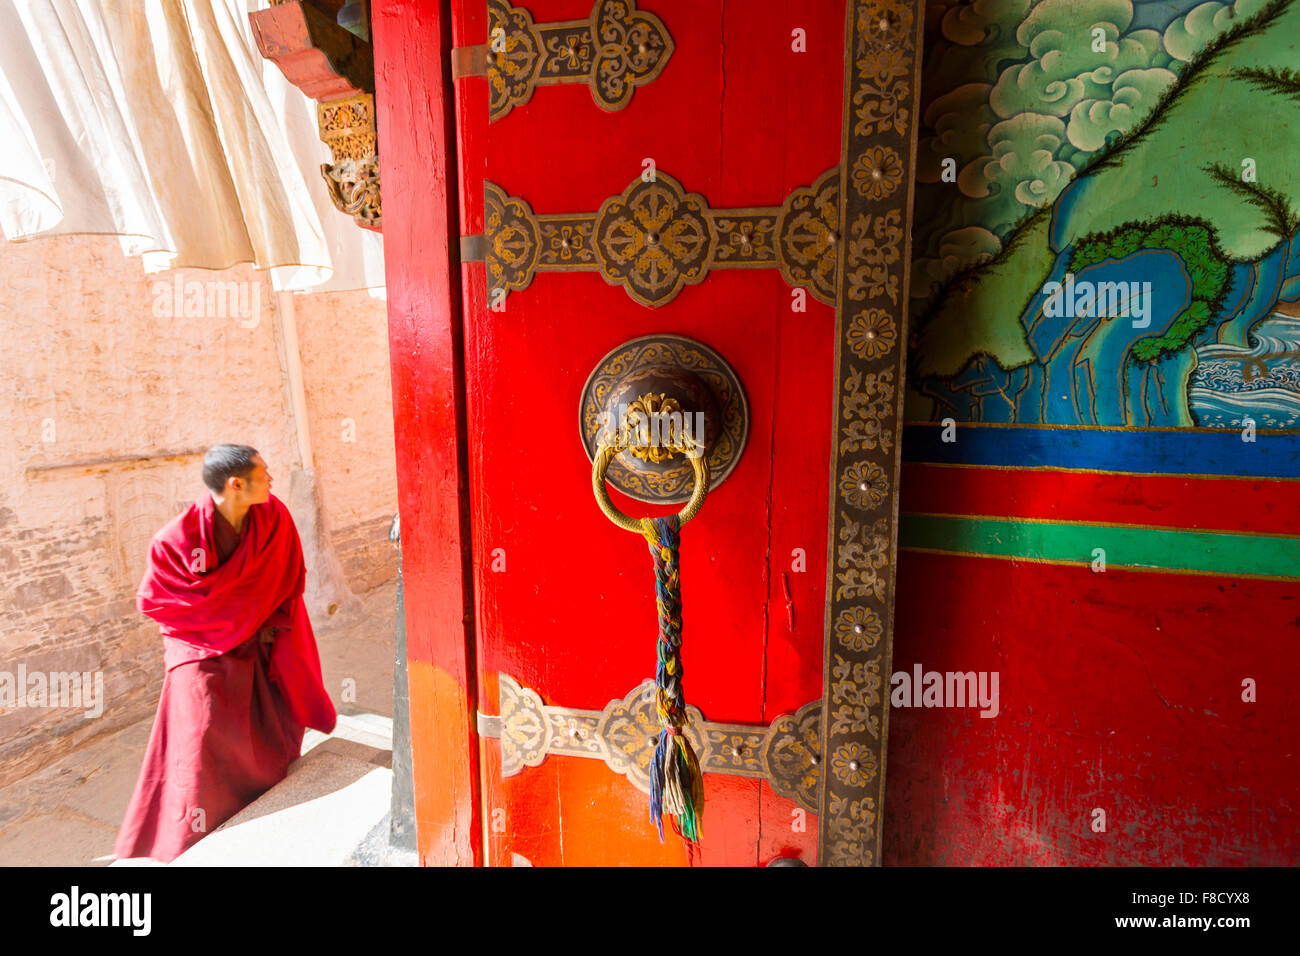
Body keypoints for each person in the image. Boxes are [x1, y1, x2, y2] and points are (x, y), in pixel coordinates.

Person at [113, 444, 336, 862]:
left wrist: (257, 623)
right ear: (236, 484)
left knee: (271, 712)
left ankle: (263, 794)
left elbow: (289, 574)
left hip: (260, 634)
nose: (271, 479)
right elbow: (157, 603)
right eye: (263, 472)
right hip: (200, 644)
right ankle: (192, 833)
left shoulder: (274, 517)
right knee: (201, 723)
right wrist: (223, 626)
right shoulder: (175, 541)